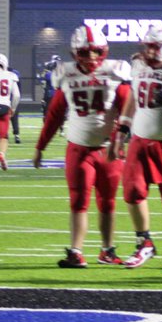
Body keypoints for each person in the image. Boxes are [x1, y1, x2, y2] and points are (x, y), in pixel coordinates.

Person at [34, 26, 132, 268]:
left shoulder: (115, 74)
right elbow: (55, 115)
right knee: (79, 201)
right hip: (79, 148)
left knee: (108, 202)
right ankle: (76, 251)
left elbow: (129, 110)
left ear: (105, 51)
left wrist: (120, 140)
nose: (92, 58)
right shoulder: (66, 75)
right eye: (85, 53)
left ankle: (107, 250)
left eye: (97, 52)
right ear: (74, 53)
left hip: (108, 148)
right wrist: (40, 147)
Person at [110, 24, 162, 270]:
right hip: (141, 138)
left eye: (155, 46)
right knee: (132, 192)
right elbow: (134, 97)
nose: (149, 51)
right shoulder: (138, 65)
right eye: (148, 46)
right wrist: (122, 130)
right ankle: (144, 242)